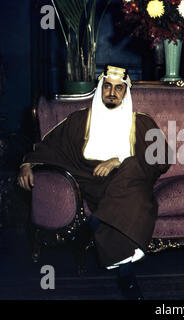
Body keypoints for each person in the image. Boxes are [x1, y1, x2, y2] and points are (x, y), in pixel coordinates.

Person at [18, 65, 170, 299]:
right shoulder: (80, 120)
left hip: (130, 182)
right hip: (95, 183)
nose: (112, 92)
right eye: (107, 86)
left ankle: (97, 223)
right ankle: (125, 270)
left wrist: (118, 161)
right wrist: (27, 164)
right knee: (135, 198)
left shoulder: (141, 123)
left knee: (131, 168)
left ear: (125, 92)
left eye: (119, 88)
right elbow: (49, 145)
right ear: (100, 89)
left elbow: (162, 159)